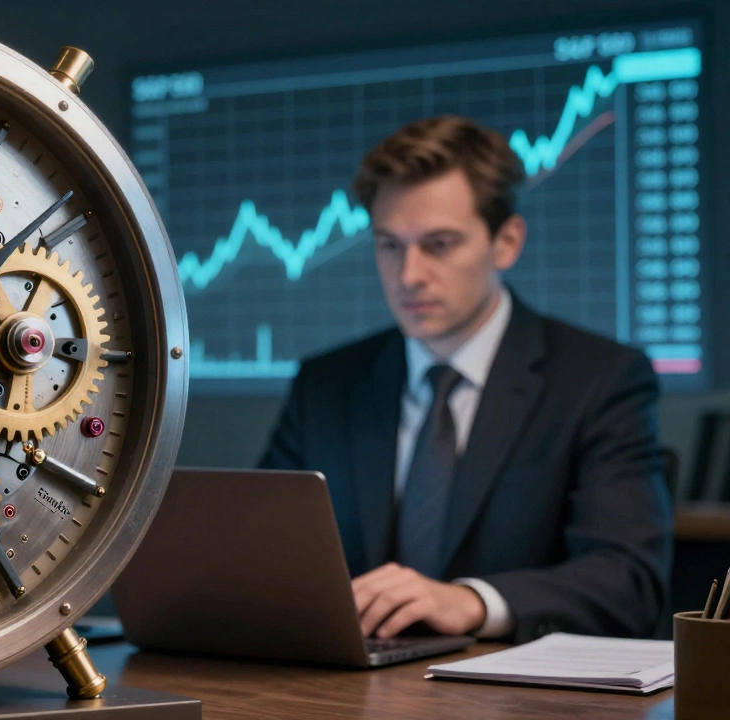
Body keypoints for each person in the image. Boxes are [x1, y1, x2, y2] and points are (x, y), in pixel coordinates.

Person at [259, 115, 672, 643]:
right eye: (389, 245)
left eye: (439, 244)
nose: (408, 275)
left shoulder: (599, 379)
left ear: (507, 242)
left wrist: (473, 601)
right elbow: (263, 555)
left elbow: (628, 580)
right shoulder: (326, 384)